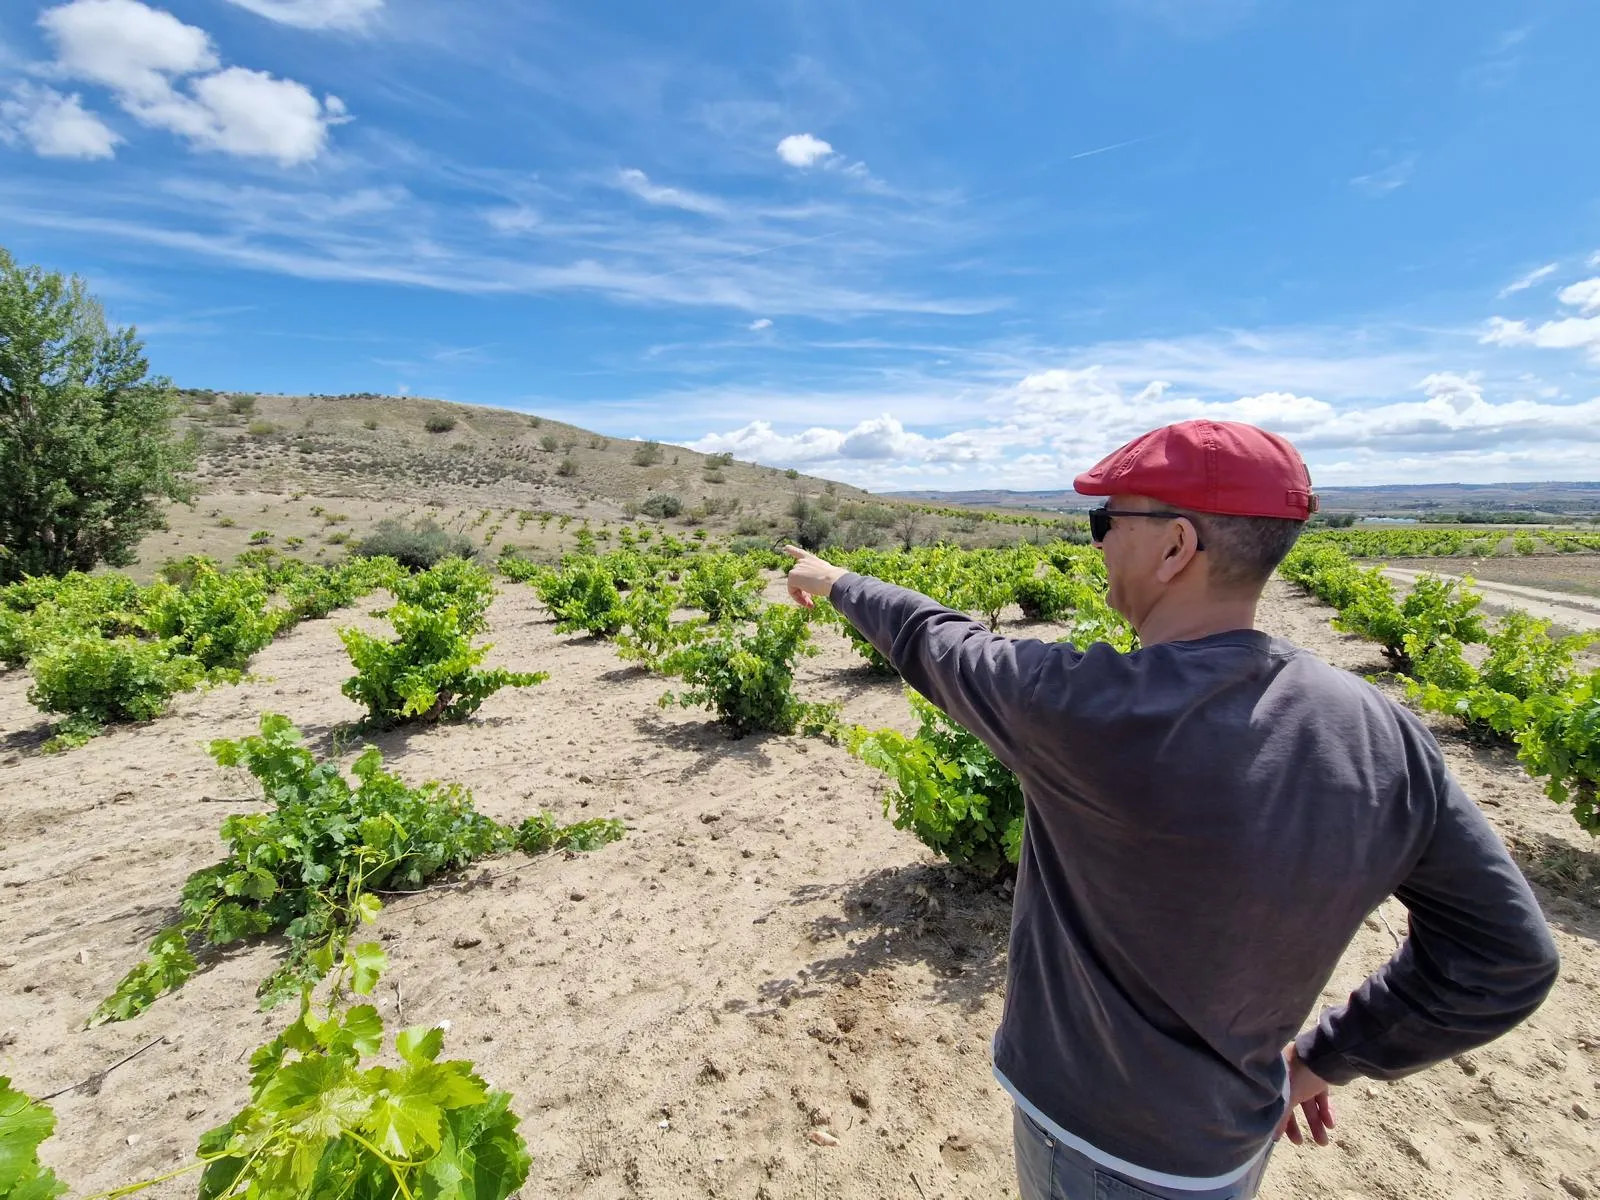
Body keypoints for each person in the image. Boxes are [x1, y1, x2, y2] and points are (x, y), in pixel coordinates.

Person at [781, 419, 1559, 1200]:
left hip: (1093, 1144)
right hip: (1227, 1145)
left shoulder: (1082, 709)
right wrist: (1328, 1058)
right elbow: (1508, 956)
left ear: (1176, 545)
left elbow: (930, 638)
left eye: (1105, 522)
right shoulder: (1379, 730)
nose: (1096, 545)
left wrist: (831, 579)